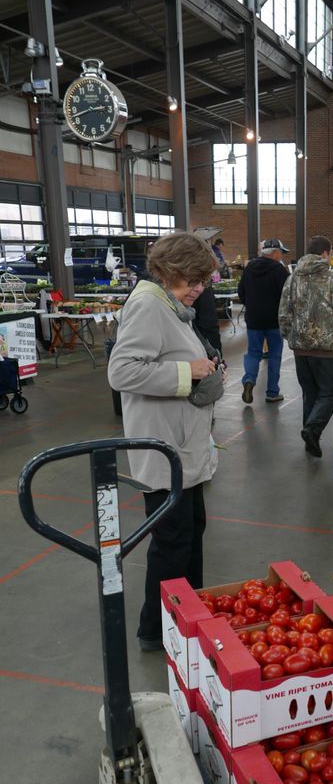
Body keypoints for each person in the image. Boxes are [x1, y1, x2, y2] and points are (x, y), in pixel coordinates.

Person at [107, 232, 224, 653]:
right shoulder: (147, 305)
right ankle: (156, 629)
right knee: (172, 540)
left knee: (191, 530)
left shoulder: (171, 305)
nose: (198, 289)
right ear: (169, 270)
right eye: (191, 280)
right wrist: (186, 373)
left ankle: (188, 614)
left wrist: (204, 368)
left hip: (183, 446)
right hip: (164, 448)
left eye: (202, 281)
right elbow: (121, 372)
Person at [279, 233, 333, 458]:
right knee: (330, 394)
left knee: (310, 394)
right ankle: (312, 430)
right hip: (327, 350)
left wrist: (290, 336)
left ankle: (310, 438)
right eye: (331, 254)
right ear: (325, 254)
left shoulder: (291, 279)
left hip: (300, 350)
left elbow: (284, 313)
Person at [238, 238, 289, 404]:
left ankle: (249, 380)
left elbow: (241, 292)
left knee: (253, 353)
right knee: (274, 355)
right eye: (281, 252)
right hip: (274, 321)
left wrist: (252, 306)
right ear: (274, 253)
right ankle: (272, 392)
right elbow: (288, 295)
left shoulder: (249, 268)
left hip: (253, 320)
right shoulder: (279, 271)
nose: (282, 256)